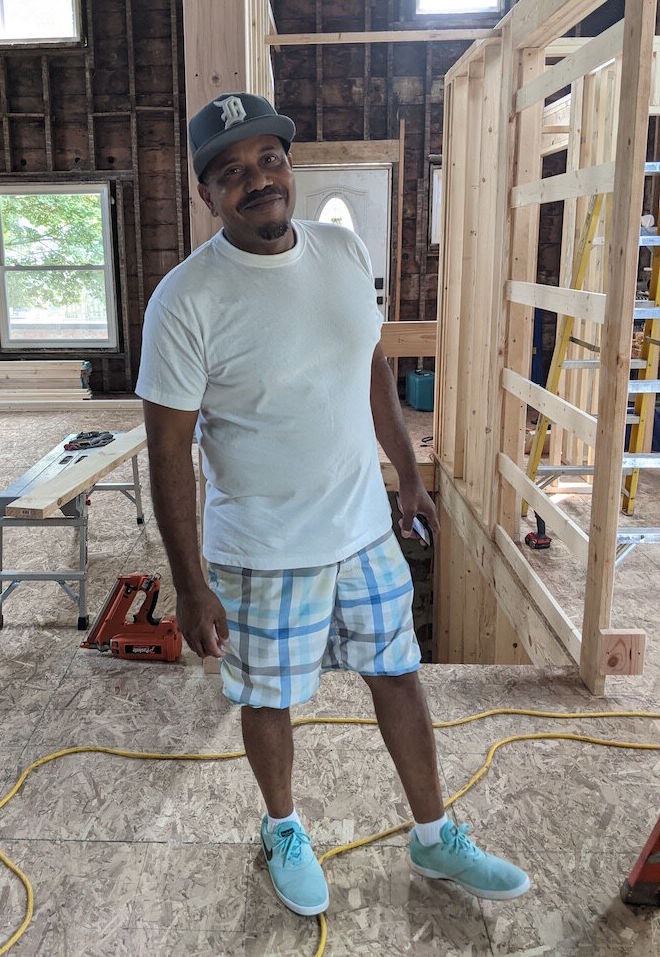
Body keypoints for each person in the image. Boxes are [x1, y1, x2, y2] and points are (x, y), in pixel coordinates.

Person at [136, 93, 530, 917]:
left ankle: (434, 834)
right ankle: (283, 827)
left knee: (399, 675)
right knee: (268, 697)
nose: (258, 180)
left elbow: (371, 366)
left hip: (362, 531)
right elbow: (168, 450)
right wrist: (191, 584)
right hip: (263, 548)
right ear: (207, 193)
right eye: (232, 172)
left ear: (290, 166)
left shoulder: (344, 250)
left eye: (269, 160)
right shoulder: (185, 300)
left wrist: (407, 475)